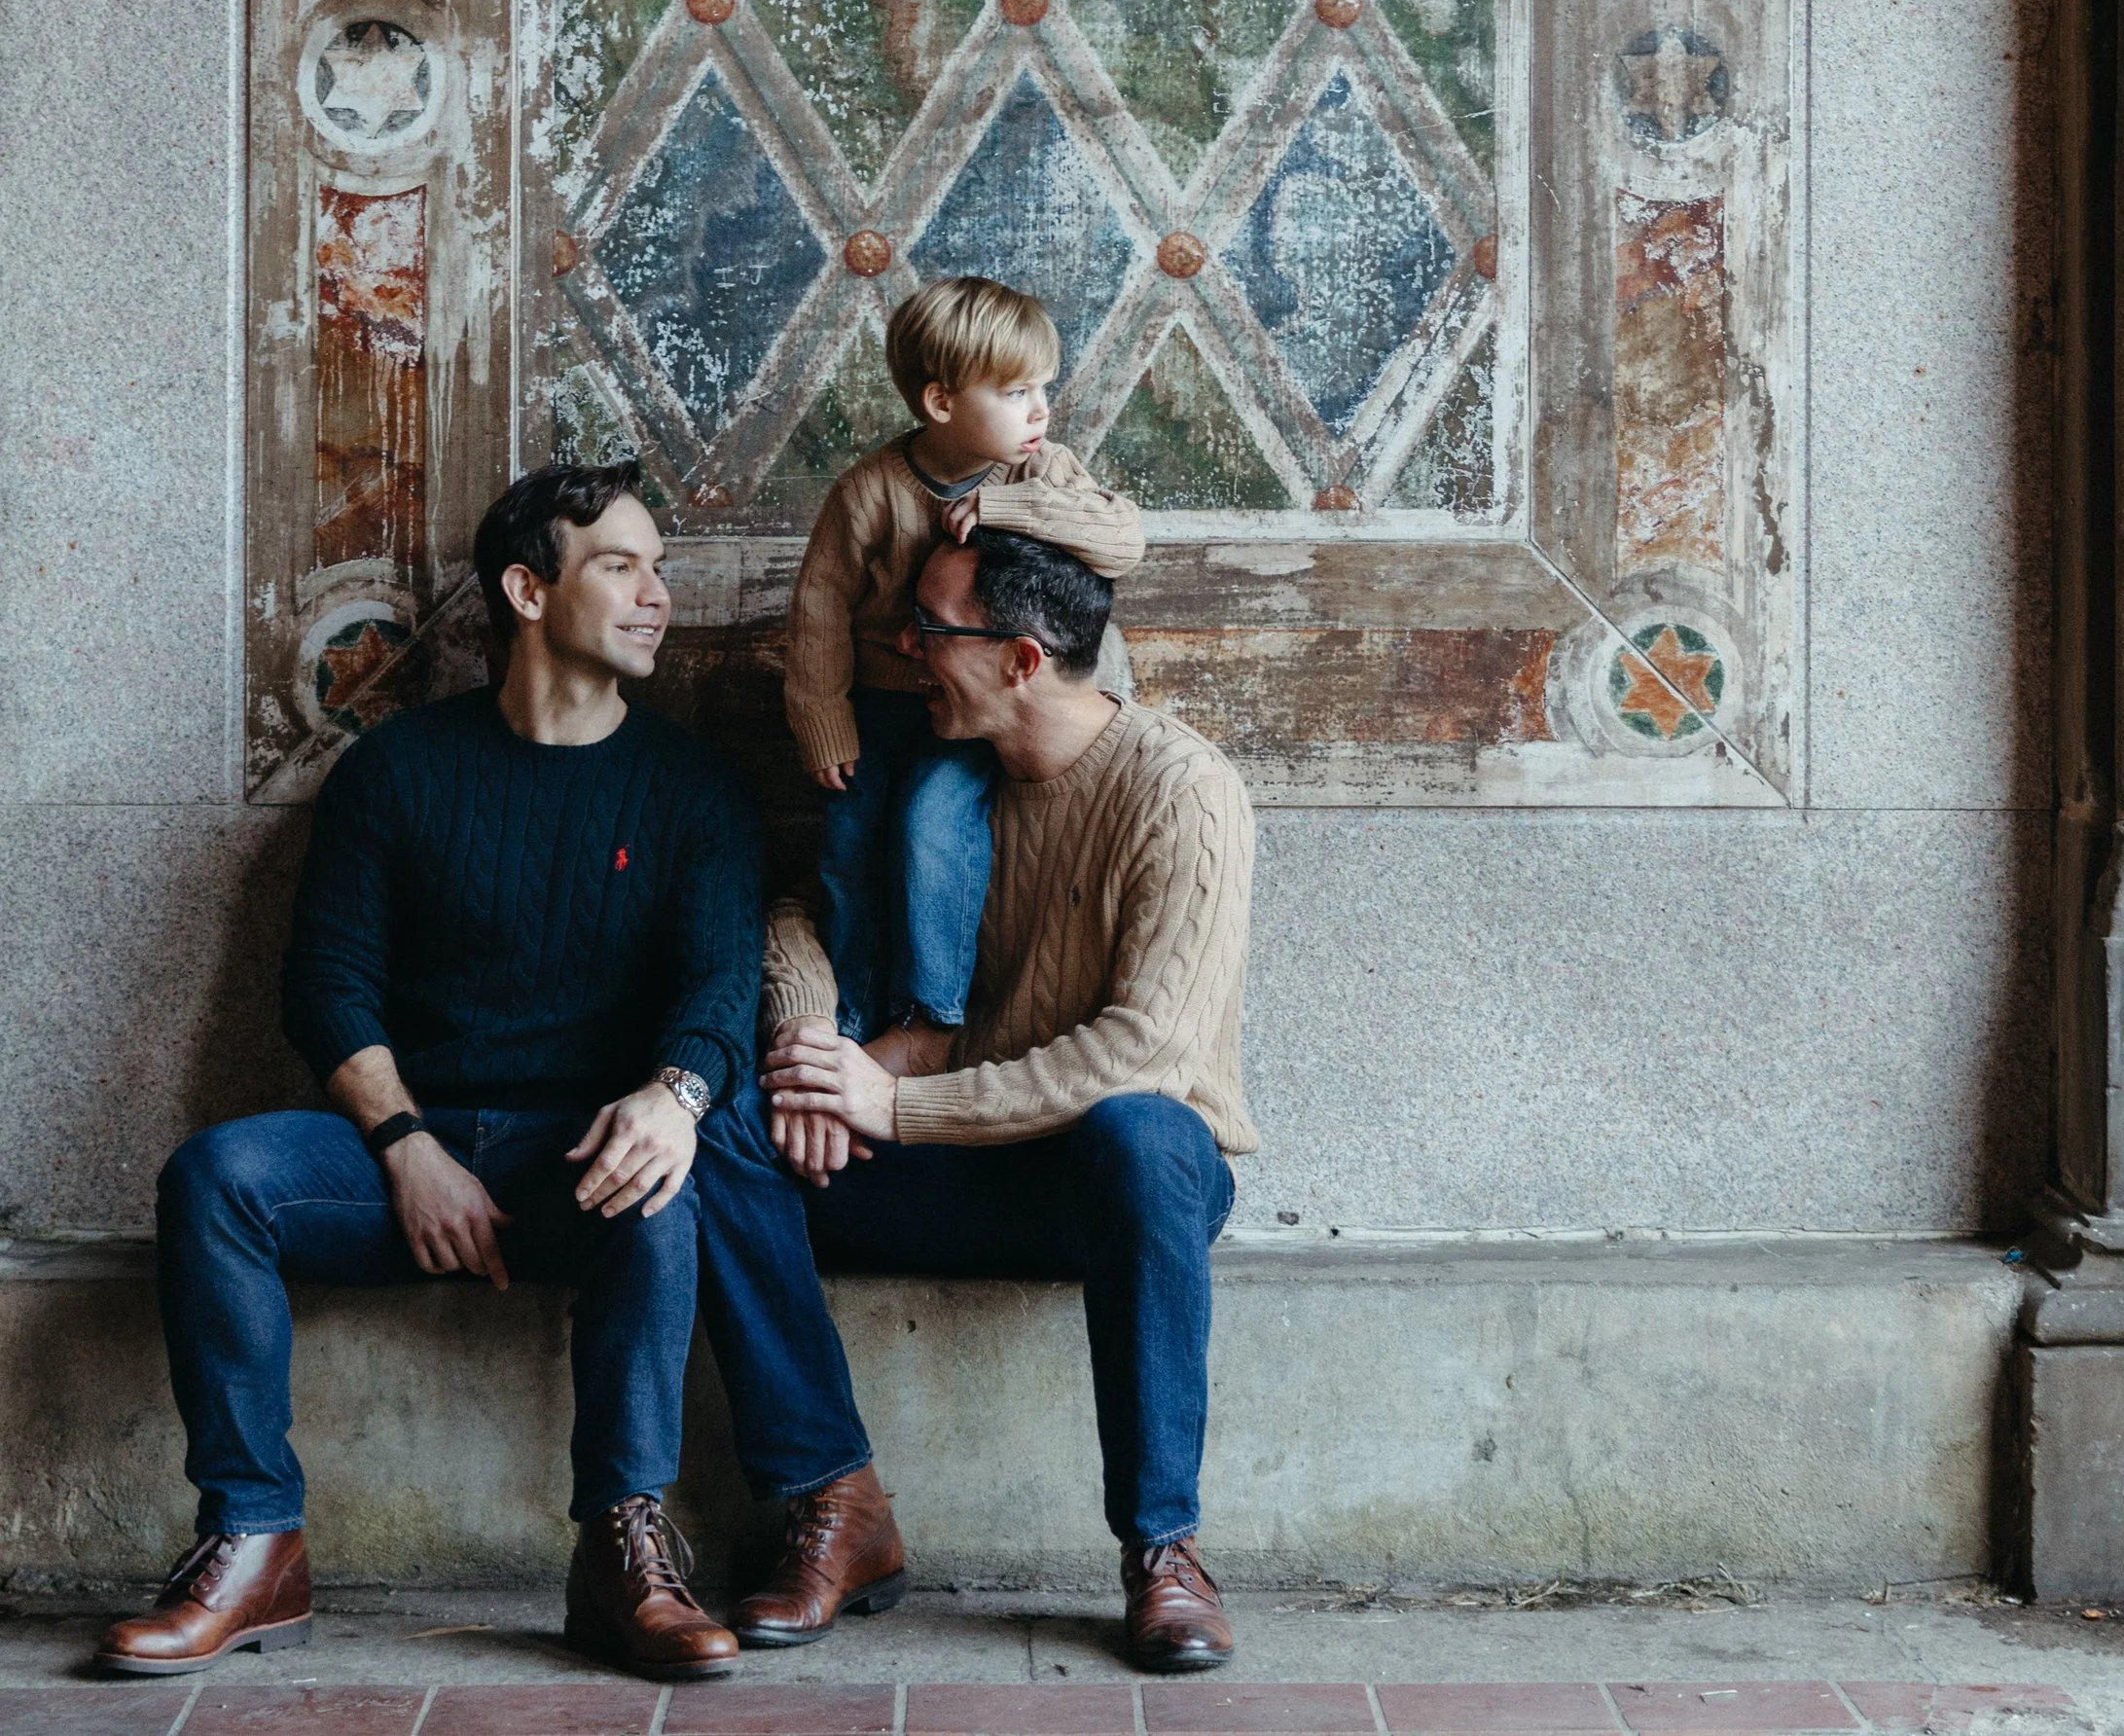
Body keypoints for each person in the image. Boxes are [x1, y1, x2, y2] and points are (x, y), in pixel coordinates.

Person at [97, 462, 762, 1684]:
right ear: (526, 587)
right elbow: (328, 987)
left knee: (662, 1186)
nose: (658, 594)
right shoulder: (397, 773)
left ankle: (622, 1550)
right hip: (410, 1141)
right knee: (217, 1177)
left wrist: (676, 1097)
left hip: (582, 1155)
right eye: (623, 565)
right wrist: (407, 1148)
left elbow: (721, 988)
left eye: (656, 567)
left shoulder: (690, 789)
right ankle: (252, 1541)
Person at [693, 518, 1257, 1675]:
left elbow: (1142, 1049)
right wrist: (810, 1043)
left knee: (1145, 1134)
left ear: (1021, 658)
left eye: (931, 630)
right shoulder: (940, 782)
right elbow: (798, 911)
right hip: (962, 1167)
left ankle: (1164, 1551)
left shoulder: (1181, 789)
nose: (903, 650)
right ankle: (838, 1504)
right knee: (726, 1138)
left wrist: (890, 1107)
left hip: (1106, 1182)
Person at [784, 274, 1141, 1052]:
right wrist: (823, 721)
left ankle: (931, 1014)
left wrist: (1008, 510)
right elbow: (818, 616)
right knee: (848, 847)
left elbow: (1123, 541)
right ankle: (851, 1013)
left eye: (1044, 385)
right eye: (1016, 390)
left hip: (978, 709)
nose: (1041, 409)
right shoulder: (869, 491)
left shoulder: (1037, 471)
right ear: (942, 402)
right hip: (879, 705)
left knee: (930, 824)